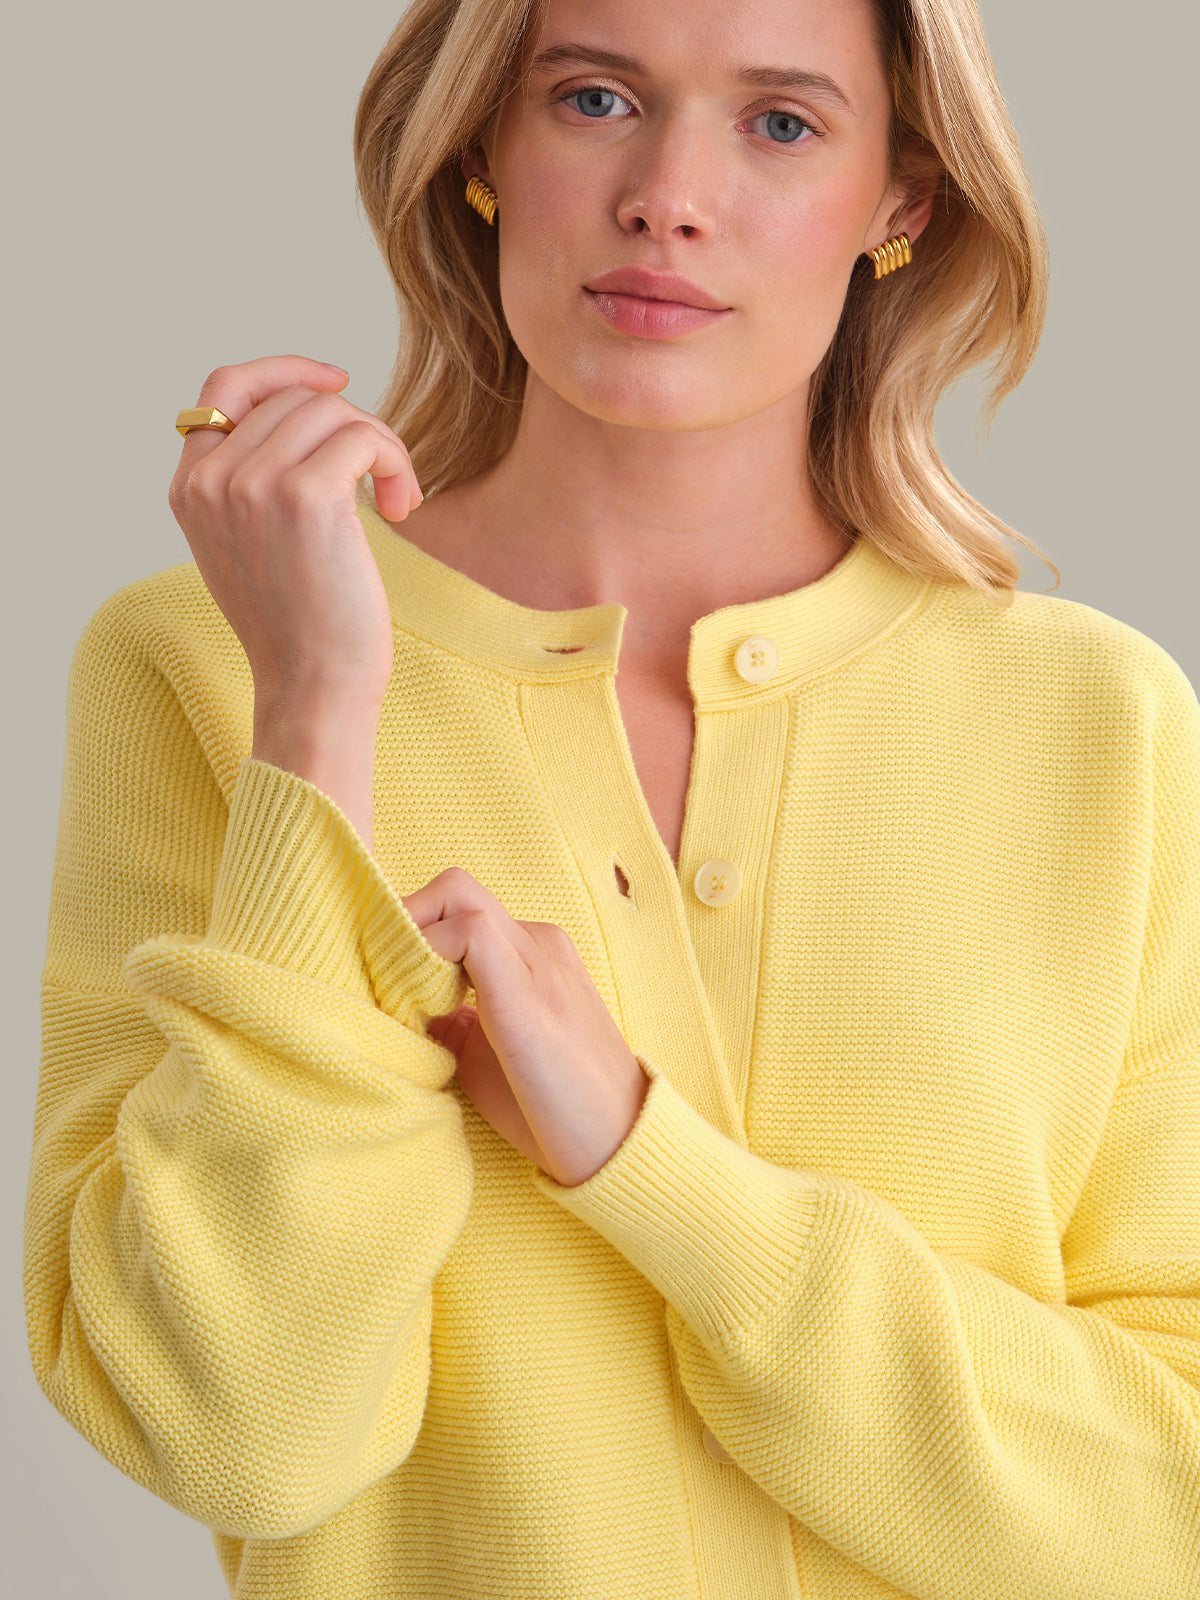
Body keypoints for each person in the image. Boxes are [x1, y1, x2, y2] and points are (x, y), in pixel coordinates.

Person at [23, 0, 1200, 1595]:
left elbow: (1168, 1504)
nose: (667, 193)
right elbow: (234, 1435)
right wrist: (316, 710)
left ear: (904, 199)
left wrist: (651, 1168)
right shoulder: (203, 668)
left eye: (781, 123)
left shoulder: (1101, 725)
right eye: (592, 98)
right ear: (485, 149)